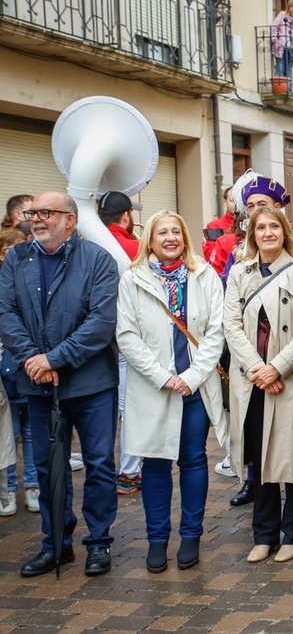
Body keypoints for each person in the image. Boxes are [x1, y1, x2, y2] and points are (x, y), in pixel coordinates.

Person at [0, 191, 120, 577]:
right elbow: (6, 312)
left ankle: (99, 543)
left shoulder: (97, 259)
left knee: (99, 464)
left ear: (70, 219)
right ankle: (56, 544)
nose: (36, 219)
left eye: (46, 213)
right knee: (48, 465)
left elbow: (101, 323)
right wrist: (34, 360)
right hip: (37, 382)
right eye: (33, 212)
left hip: (91, 383)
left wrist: (55, 358)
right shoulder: (17, 258)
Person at [117, 211, 228, 572]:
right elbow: (127, 336)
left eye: (176, 232)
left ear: (184, 238)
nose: (169, 238)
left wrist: (193, 376)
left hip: (194, 387)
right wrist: (163, 377)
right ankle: (157, 539)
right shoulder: (132, 280)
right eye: (162, 232)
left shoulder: (204, 275)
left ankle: (191, 535)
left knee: (193, 459)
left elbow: (216, 330)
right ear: (149, 240)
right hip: (154, 387)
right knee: (155, 462)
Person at [225, 207, 293, 564]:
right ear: (252, 234)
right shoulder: (239, 273)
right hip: (253, 381)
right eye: (260, 227)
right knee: (259, 458)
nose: (267, 232)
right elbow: (230, 325)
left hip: (290, 378)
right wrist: (256, 368)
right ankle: (263, 535)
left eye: (273, 227)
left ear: (284, 233)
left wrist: (277, 368)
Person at [97, 190, 143, 496]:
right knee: (129, 406)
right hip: (127, 338)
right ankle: (129, 472)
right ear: (125, 216)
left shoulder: (88, 246)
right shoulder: (136, 247)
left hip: (95, 340)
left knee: (101, 406)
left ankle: (101, 472)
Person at [0, 227, 34, 516]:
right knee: (5, 437)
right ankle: (8, 489)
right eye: (9, 250)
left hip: (29, 370)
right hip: (5, 375)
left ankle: (32, 486)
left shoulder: (31, 279)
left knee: (33, 433)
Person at [270, 0, 293, 80]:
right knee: (280, 69)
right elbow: (274, 26)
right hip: (281, 45)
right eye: (291, 6)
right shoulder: (282, 15)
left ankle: (289, 90)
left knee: (289, 72)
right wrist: (274, 39)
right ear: (288, 7)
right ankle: (280, 89)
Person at [202, 186, 236, 263]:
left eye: (239, 200)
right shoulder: (214, 227)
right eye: (232, 200)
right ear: (225, 202)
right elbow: (210, 255)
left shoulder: (251, 224)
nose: (235, 204)